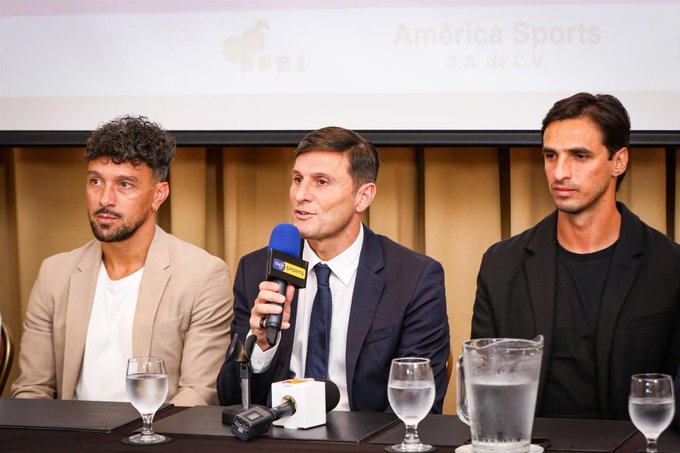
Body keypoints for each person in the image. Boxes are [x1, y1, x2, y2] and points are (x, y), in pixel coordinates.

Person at [472, 92, 680, 420]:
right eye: (551, 156)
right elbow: (484, 388)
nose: (559, 173)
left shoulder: (670, 266)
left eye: (579, 156)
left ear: (619, 161)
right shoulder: (502, 264)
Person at [217, 126, 450, 412]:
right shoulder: (256, 270)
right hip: (278, 438)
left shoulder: (413, 279)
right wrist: (262, 346)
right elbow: (228, 400)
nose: (301, 195)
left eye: (321, 182)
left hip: (367, 442)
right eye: (297, 179)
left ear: (363, 197)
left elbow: (418, 405)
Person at [11, 115, 233, 406]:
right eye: (95, 181)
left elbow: (198, 393)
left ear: (158, 195)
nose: (105, 199)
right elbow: (32, 389)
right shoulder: (55, 273)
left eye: (125, 184)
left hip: (159, 441)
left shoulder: (203, 274)